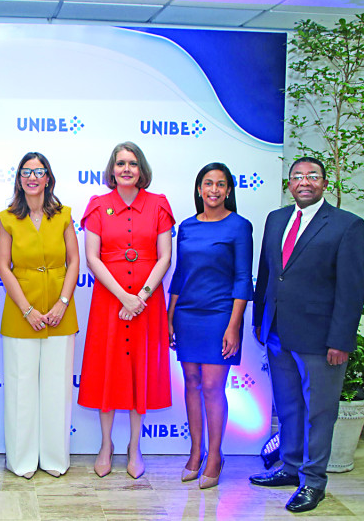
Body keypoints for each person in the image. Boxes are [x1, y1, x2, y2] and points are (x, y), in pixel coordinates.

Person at [250, 157, 364, 513]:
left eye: (312, 176)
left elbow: (352, 290)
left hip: (321, 340)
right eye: (298, 176)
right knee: (288, 407)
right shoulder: (277, 220)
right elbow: (268, 275)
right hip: (278, 334)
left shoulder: (347, 225)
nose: (305, 181)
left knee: (320, 412)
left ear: (324, 183)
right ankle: (289, 467)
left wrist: (341, 341)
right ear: (289, 183)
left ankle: (314, 481)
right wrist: (260, 322)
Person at [77, 141, 174, 479]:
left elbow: (165, 256)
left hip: (147, 304)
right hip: (110, 301)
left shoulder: (159, 205)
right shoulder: (98, 206)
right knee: (108, 371)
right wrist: (124, 297)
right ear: (112, 169)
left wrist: (142, 295)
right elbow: (92, 258)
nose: (126, 169)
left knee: (139, 372)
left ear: (141, 168)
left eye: (132, 163)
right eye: (120, 163)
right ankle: (106, 444)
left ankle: (135, 445)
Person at [167, 162, 253, 489]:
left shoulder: (239, 226)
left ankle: (215, 456)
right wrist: (169, 315)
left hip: (221, 315)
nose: (214, 190)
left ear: (229, 190)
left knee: (214, 386)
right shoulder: (187, 227)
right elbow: (179, 275)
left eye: (220, 184)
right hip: (187, 314)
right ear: (199, 189)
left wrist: (234, 326)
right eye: (208, 183)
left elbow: (244, 279)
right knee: (191, 381)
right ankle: (195, 451)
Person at [0, 152, 79, 479]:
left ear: (48, 178)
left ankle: (55, 459)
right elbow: (3, 265)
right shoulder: (6, 218)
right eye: (26, 172)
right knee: (20, 389)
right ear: (19, 179)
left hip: (61, 312)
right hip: (20, 313)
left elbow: (74, 261)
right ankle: (22, 461)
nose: (32, 177)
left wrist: (61, 302)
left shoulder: (64, 216)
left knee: (58, 388)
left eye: (39, 171)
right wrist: (27, 310)